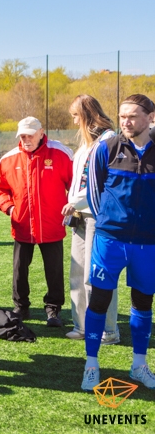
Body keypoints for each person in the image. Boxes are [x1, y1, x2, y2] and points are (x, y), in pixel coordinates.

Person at [81, 94, 155, 391]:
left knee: (143, 302)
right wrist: (108, 222)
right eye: (123, 116)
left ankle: (139, 365)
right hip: (110, 240)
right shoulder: (106, 147)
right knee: (99, 300)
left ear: (151, 117)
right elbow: (94, 191)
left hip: (148, 243)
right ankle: (91, 364)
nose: (126, 121)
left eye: (133, 116)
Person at [0, 117, 73, 326]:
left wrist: (72, 206)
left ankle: (53, 310)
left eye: (30, 135)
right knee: (20, 269)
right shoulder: (8, 159)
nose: (26, 139)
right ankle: (21, 307)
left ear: (41, 132)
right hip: (22, 225)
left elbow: (75, 185)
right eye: (22, 136)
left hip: (52, 224)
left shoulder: (61, 154)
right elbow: (0, 190)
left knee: (54, 270)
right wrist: (10, 208)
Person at [62, 95, 119, 344]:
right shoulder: (86, 143)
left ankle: (108, 330)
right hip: (79, 217)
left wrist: (75, 201)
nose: (74, 121)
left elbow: (104, 182)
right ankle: (82, 326)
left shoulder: (109, 140)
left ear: (87, 114)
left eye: (76, 115)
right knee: (77, 274)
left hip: (99, 215)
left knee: (97, 275)